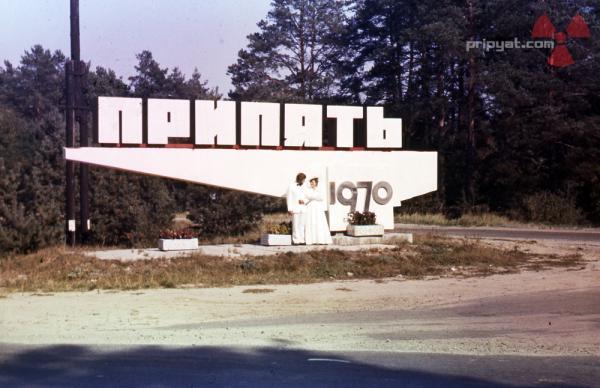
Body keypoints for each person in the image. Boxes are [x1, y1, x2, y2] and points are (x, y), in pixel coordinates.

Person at [304, 177, 333, 245]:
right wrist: (314, 196)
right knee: (311, 221)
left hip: (318, 208)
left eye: (313, 182)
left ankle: (320, 239)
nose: (312, 183)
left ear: (316, 183)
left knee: (318, 222)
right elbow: (307, 196)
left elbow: (321, 197)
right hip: (310, 207)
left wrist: (312, 196)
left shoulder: (319, 190)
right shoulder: (308, 190)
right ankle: (311, 240)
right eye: (311, 182)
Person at [286, 172, 307, 244]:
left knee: (302, 225)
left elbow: (307, 196)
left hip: (303, 208)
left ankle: (302, 240)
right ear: (299, 179)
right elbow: (289, 198)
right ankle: (295, 240)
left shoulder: (305, 186)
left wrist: (304, 201)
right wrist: (289, 209)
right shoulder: (291, 186)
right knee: (295, 225)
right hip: (295, 208)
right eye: (303, 179)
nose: (304, 181)